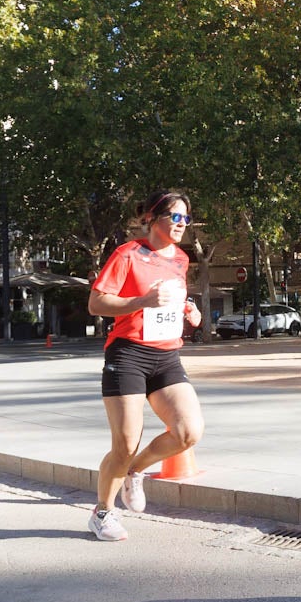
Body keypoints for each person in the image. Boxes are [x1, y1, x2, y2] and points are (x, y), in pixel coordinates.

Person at [85, 190, 205, 542]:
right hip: (128, 355)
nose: (182, 224)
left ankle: (135, 472)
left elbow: (172, 299)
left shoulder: (181, 259)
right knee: (124, 443)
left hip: (166, 355)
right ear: (152, 219)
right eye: (175, 217)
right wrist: (141, 301)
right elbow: (96, 303)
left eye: (186, 218)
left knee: (188, 432)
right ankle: (102, 513)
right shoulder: (128, 254)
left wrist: (189, 312)